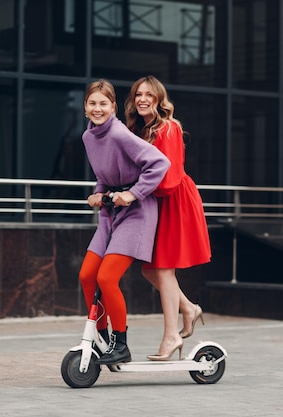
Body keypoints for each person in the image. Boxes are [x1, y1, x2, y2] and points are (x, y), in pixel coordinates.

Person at [78, 79, 170, 365]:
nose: (98, 109)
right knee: (87, 275)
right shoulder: (88, 137)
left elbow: (159, 163)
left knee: (107, 278)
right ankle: (103, 338)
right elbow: (105, 174)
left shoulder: (119, 133)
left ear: (113, 107)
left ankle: (121, 344)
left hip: (137, 213)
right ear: (85, 107)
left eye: (103, 104)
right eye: (92, 103)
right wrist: (97, 193)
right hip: (110, 213)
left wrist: (133, 193)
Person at [124, 75, 212, 361]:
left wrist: (136, 192)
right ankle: (188, 308)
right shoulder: (141, 130)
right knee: (150, 269)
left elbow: (169, 178)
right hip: (157, 202)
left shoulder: (169, 128)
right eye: (138, 94)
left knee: (162, 269)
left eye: (149, 94)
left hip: (174, 201)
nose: (142, 99)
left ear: (159, 99)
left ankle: (171, 335)